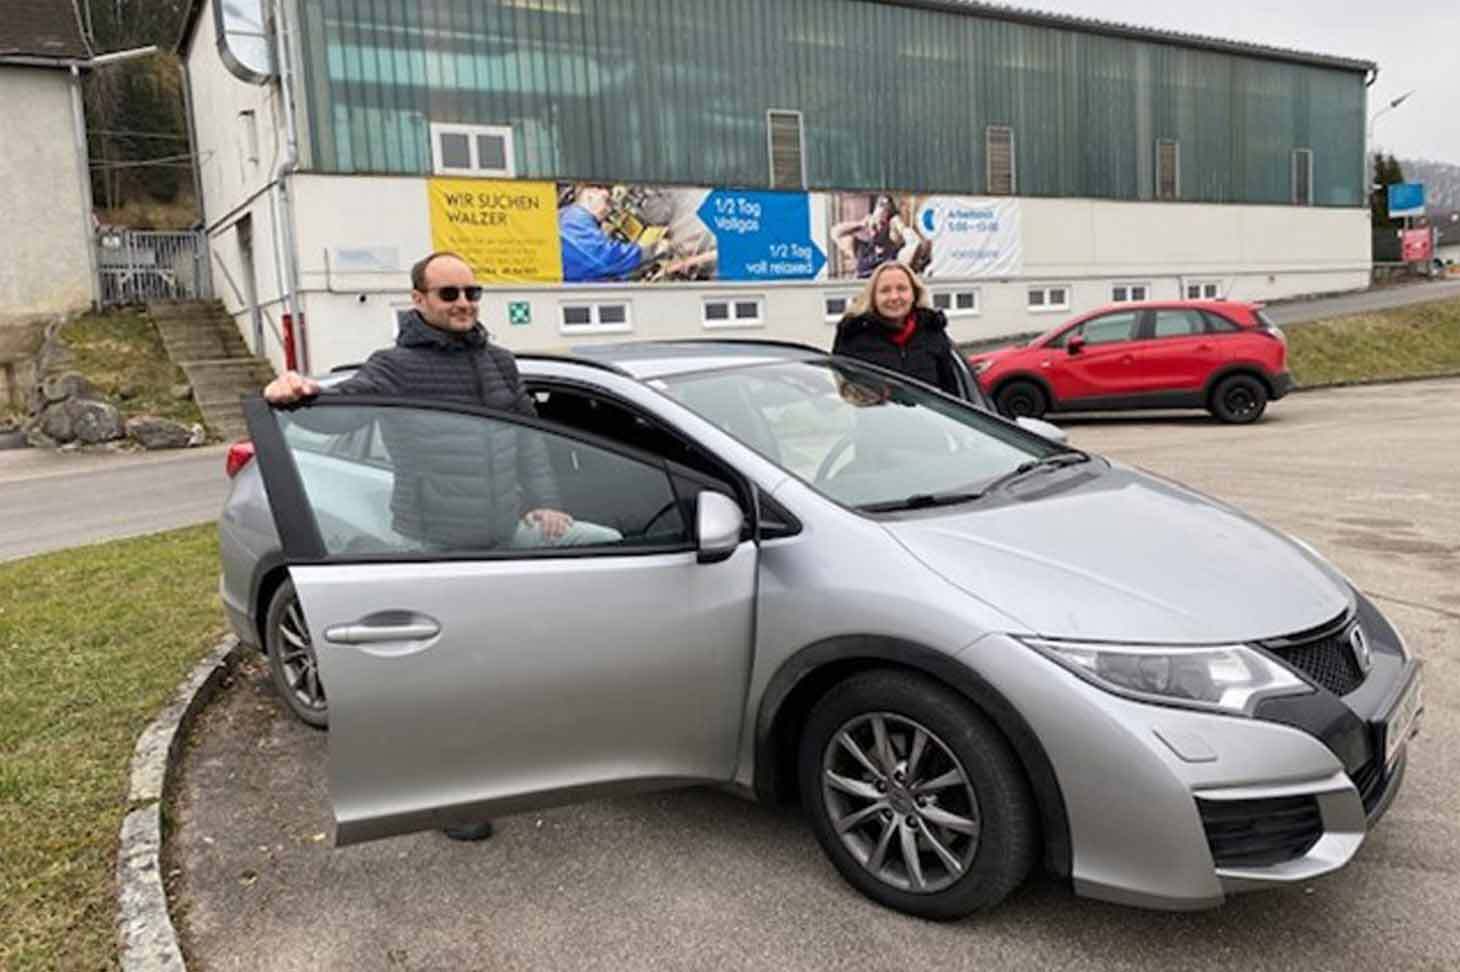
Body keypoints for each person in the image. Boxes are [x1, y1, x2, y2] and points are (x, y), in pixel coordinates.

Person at [263, 250, 618, 841]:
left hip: (505, 529)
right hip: (436, 541)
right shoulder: (394, 368)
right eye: (448, 294)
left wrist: (548, 501)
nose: (463, 303)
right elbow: (336, 417)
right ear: (419, 300)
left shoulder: (500, 364)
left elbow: (532, 442)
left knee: (600, 559)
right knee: (446, 681)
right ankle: (451, 799)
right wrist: (295, 390)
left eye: (471, 292)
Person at [831, 260, 961, 397]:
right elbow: (842, 393)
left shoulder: (932, 331)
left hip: (926, 418)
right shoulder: (852, 334)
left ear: (914, 294)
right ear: (873, 297)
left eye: (902, 289)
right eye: (885, 290)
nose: (894, 297)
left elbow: (951, 394)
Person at [558, 185, 660, 282]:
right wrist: (652, 250)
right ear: (590, 196)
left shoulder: (567, 216)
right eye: (606, 201)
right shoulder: (574, 219)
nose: (609, 209)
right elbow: (604, 259)